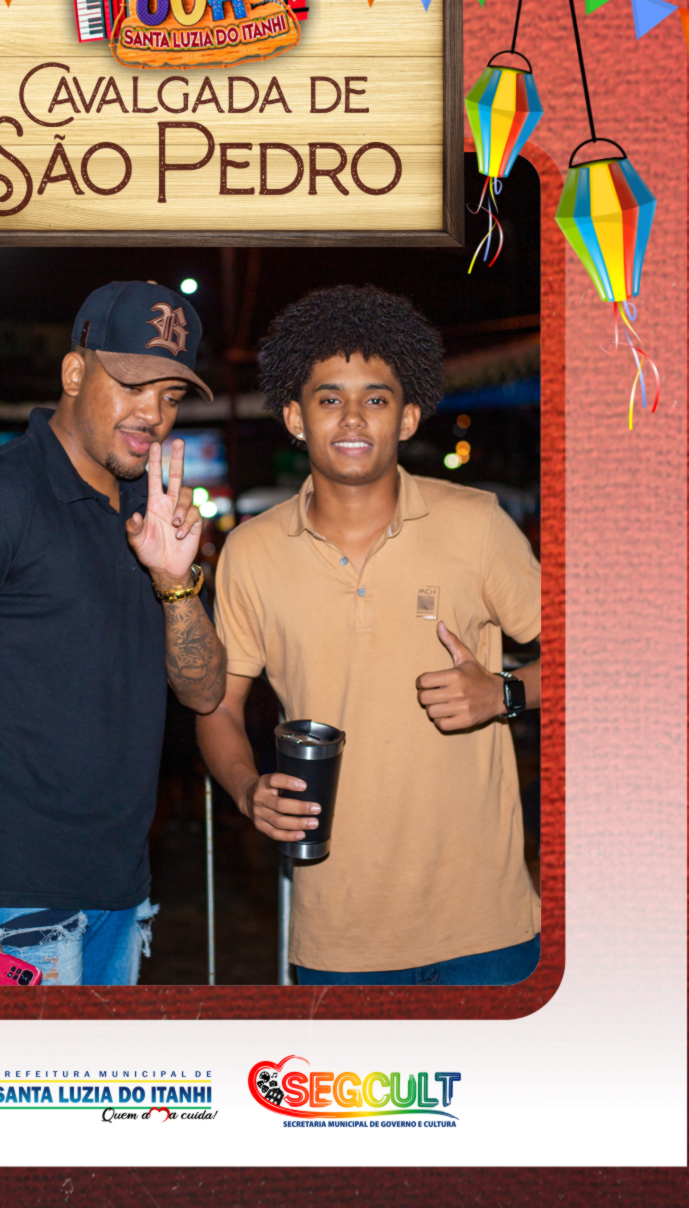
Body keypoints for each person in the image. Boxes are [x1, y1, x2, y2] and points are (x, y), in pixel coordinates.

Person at [0, 281, 227, 987]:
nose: (152, 414)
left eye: (171, 395)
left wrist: (175, 581)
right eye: (131, 384)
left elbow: (204, 692)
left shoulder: (150, 512)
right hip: (2, 900)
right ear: (74, 372)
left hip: (119, 891)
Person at [197, 285, 542, 985]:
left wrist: (504, 692)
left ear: (407, 417)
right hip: (339, 935)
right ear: (295, 417)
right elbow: (217, 708)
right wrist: (247, 789)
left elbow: (609, 663)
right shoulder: (252, 552)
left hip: (485, 923)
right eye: (329, 398)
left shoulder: (476, 524)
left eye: (375, 398)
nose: (352, 417)